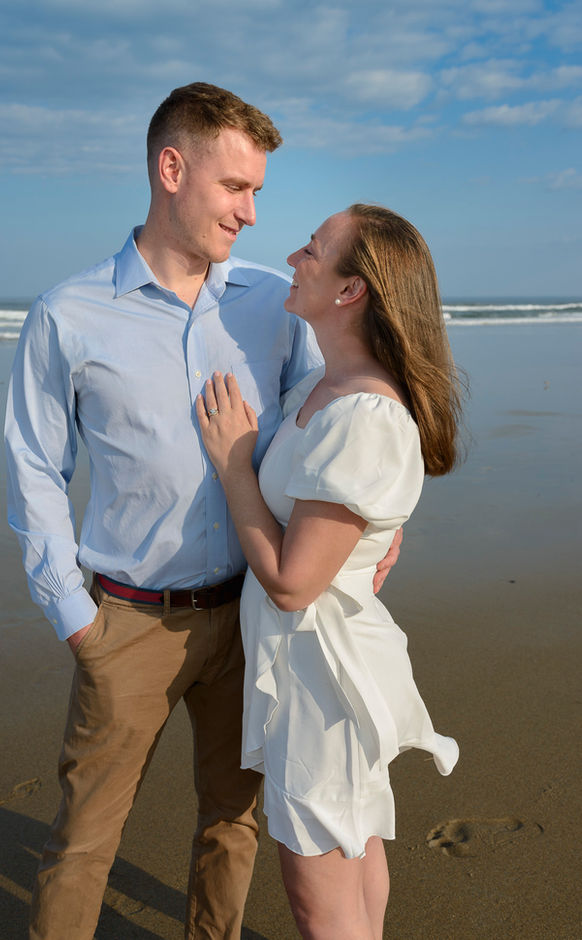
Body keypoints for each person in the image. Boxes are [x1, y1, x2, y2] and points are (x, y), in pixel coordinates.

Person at [5, 84, 399, 940]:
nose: (253, 213)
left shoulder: (273, 303)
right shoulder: (67, 316)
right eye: (236, 188)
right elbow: (36, 469)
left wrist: (376, 524)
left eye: (258, 191)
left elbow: (334, 417)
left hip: (254, 618)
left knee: (232, 826)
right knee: (82, 843)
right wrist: (76, 618)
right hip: (128, 625)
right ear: (171, 168)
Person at [196, 204, 463, 940]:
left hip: (323, 686)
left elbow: (291, 580)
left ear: (352, 292)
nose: (292, 256)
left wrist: (233, 466)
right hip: (314, 671)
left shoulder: (365, 416)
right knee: (354, 854)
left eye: (313, 250)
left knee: (323, 900)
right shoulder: (327, 390)